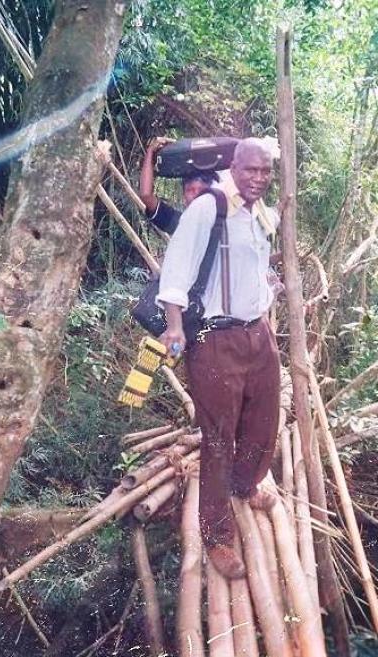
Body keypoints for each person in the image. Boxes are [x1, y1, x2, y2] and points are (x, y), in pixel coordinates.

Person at [156, 138, 282, 579]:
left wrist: (269, 292)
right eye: (251, 170)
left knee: (265, 418)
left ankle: (245, 485)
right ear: (233, 166)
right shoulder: (208, 207)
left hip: (257, 333)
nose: (259, 179)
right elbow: (175, 272)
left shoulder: (263, 212)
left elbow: (260, 265)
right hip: (214, 338)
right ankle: (217, 535)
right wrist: (174, 327)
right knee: (217, 437)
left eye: (266, 172)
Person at [139, 137, 218, 235]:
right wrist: (150, 152)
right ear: (184, 197)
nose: (196, 194)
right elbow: (146, 196)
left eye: (202, 190)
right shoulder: (182, 225)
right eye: (190, 190)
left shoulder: (229, 222)